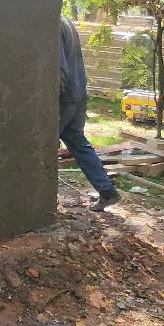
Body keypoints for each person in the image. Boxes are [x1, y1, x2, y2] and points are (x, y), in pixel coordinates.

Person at [58, 17, 118, 212]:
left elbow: (59, 69)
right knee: (77, 142)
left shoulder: (52, 23)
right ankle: (107, 191)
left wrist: (48, 102)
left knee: (41, 145)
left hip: (64, 97)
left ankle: (37, 202)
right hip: (78, 91)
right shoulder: (65, 20)